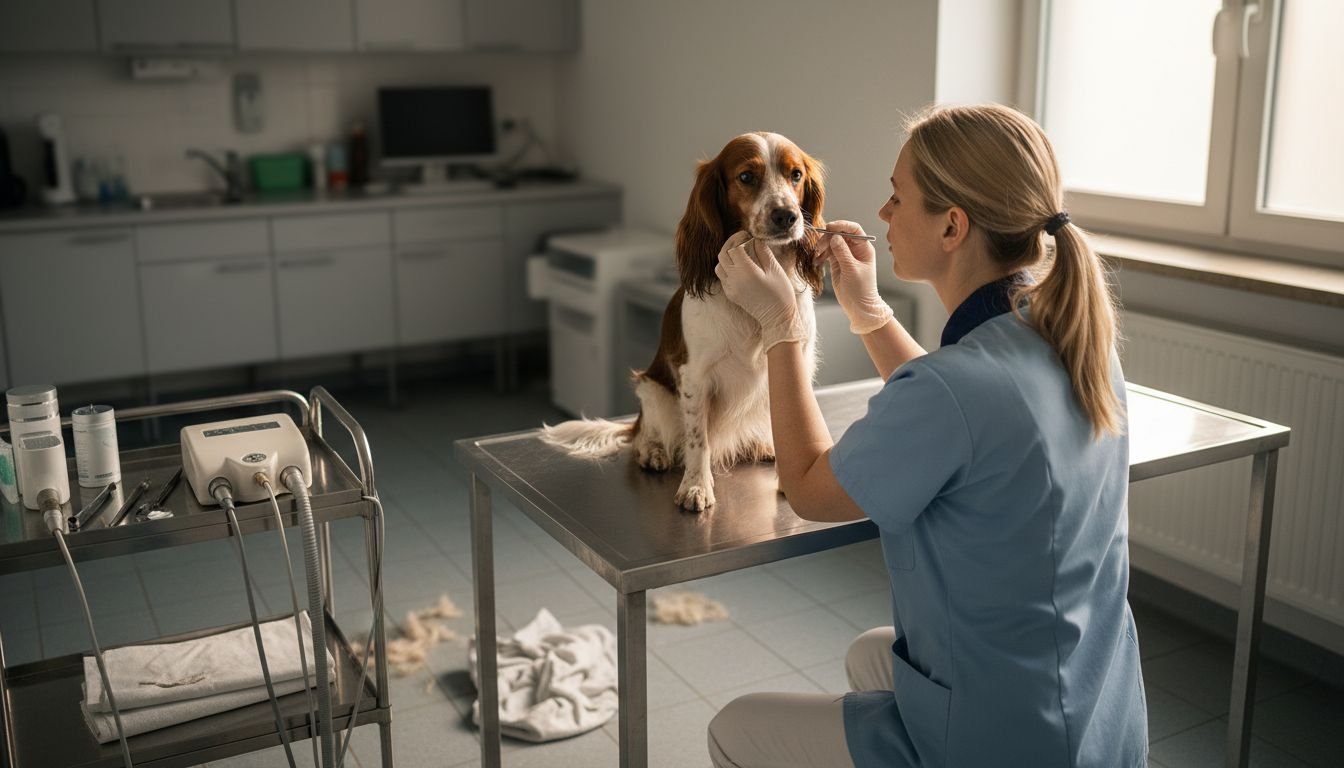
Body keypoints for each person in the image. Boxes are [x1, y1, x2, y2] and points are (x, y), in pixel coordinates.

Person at [706, 103, 1147, 767]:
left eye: (896, 196)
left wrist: (783, 327)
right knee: (869, 654)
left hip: (1007, 745)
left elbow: (808, 489)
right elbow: (962, 412)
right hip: (1092, 711)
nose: (882, 216)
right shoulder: (1077, 342)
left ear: (952, 225)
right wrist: (868, 310)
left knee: (733, 728)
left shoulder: (955, 389)